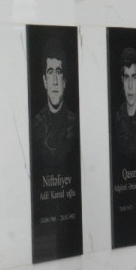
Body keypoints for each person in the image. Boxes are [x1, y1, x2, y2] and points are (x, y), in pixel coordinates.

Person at [32, 37, 78, 171]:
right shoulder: (35, 125)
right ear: (45, 81)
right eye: (50, 73)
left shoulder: (76, 124)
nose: (55, 81)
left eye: (59, 72)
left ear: (64, 81)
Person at [113, 47, 136, 158]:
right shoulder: (116, 118)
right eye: (126, 77)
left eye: (133, 78)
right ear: (122, 81)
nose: (130, 86)